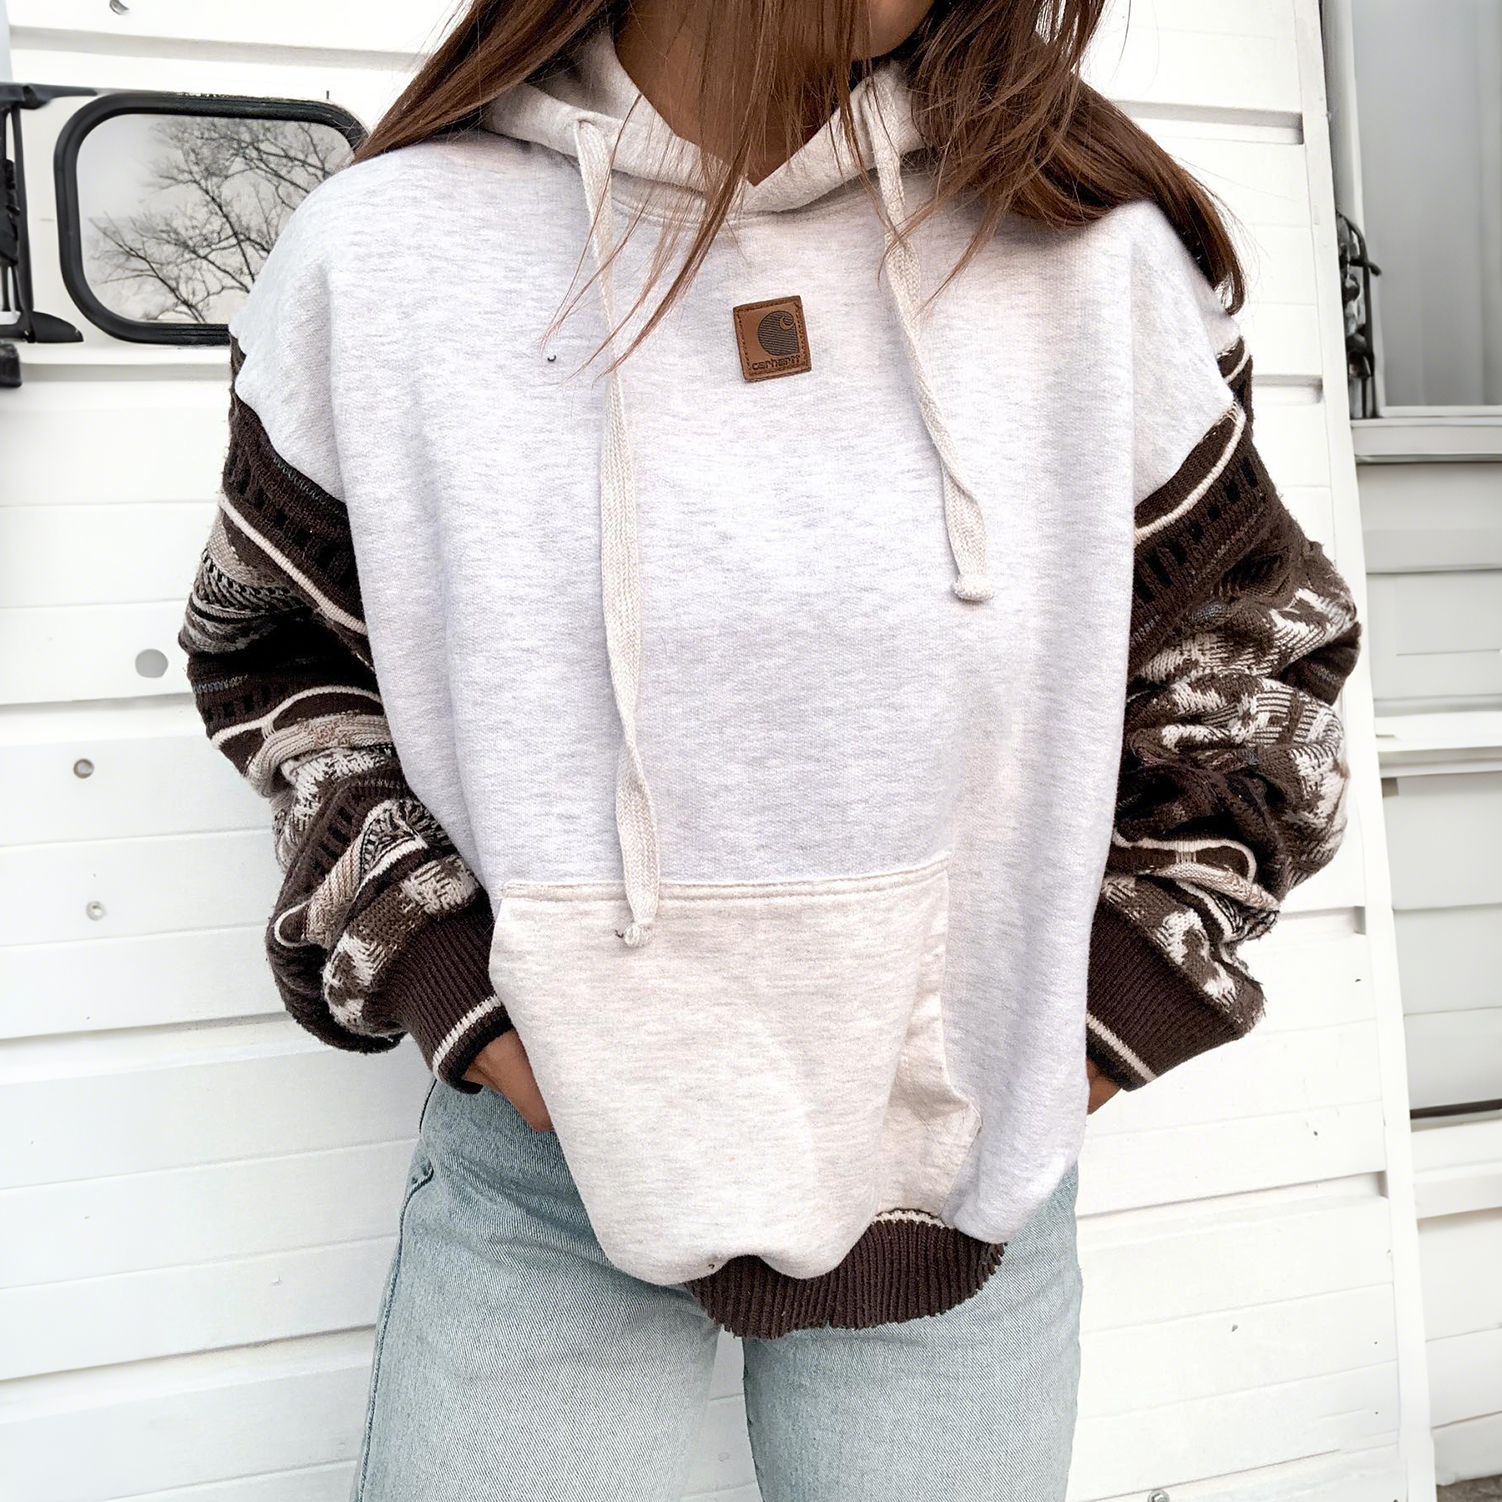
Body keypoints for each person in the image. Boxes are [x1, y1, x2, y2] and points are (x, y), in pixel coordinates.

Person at [178, 1, 1363, 1497]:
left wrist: (1092, 1030)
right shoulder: (382, 256)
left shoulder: (1087, 254)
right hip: (549, 1172)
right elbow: (272, 655)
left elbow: (1260, 659)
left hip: (958, 1170)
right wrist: (458, 991)